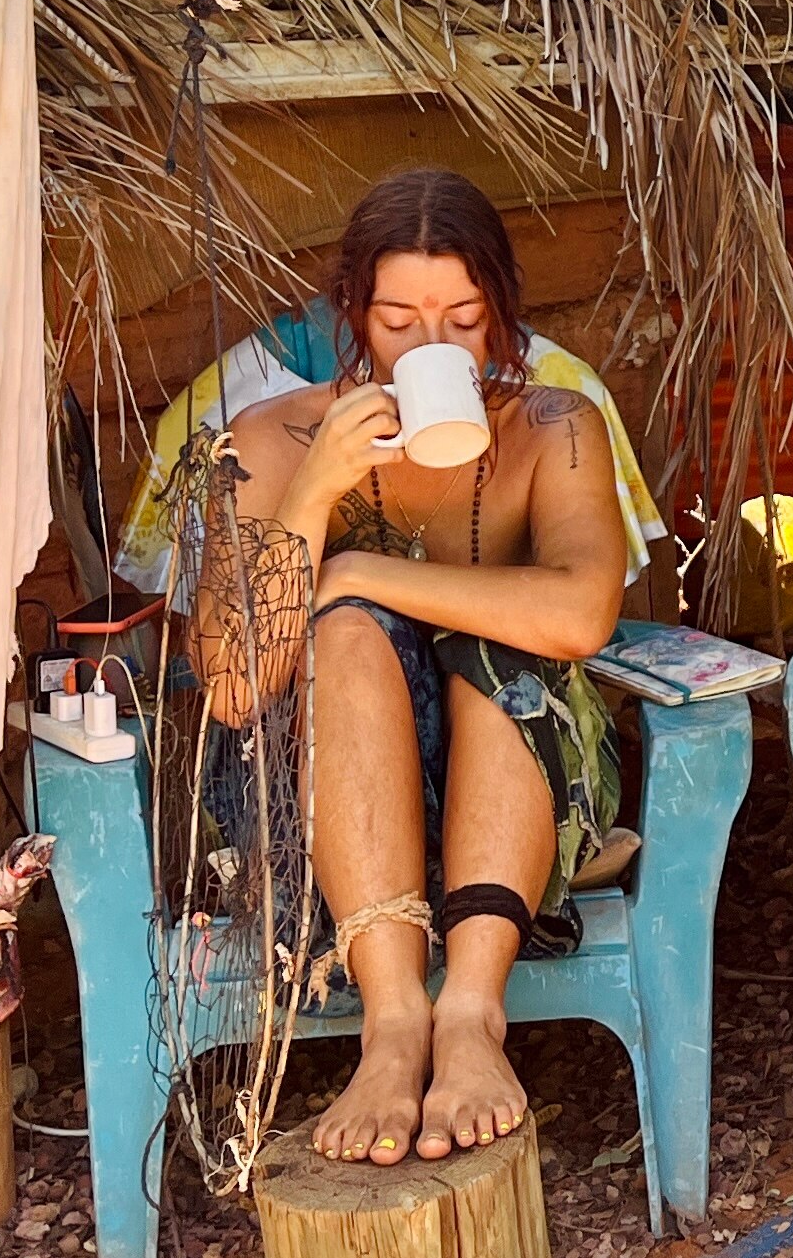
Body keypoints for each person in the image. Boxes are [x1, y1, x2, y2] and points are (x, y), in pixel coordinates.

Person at [192, 169, 626, 1166]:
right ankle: (392, 1029)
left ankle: (472, 1016)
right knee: (344, 632)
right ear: (353, 314)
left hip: (516, 788)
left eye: (464, 319)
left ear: (503, 319)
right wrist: (312, 502)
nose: (431, 349)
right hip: (325, 805)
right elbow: (229, 684)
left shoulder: (554, 428)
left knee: (502, 641)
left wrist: (354, 569)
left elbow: (581, 611)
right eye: (396, 320)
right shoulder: (270, 440)